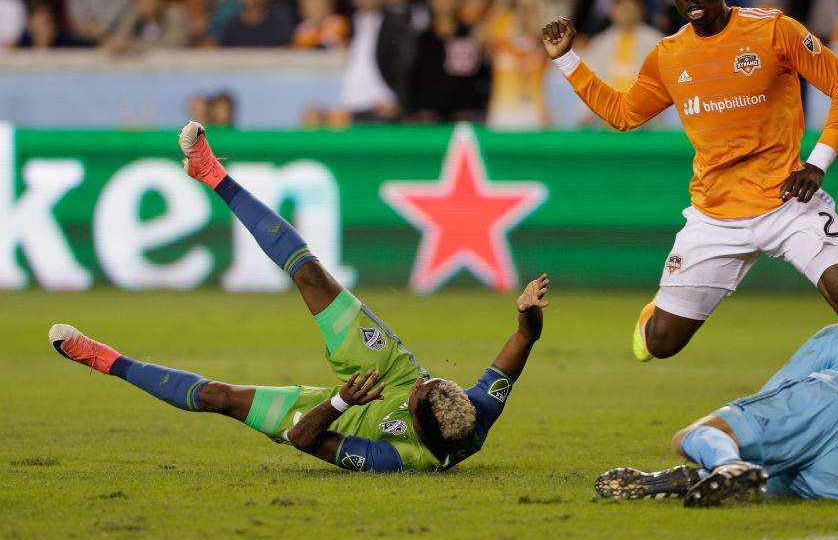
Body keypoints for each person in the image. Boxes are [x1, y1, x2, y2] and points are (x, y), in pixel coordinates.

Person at [47, 121, 549, 473]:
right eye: (434, 383)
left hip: (336, 407)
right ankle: (212, 172)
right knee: (310, 273)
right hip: (386, 368)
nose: (427, 386)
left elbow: (304, 441)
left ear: (417, 424)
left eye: (421, 394)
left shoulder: (400, 459)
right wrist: (527, 317)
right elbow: (518, 350)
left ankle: (100, 358)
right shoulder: (473, 412)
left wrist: (338, 401)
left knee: (218, 398)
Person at [541, 0, 838, 362]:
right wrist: (567, 60)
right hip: (715, 218)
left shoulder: (774, 29)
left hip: (789, 201)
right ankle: (653, 317)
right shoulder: (669, 56)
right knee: (661, 344)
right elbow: (624, 114)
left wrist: (818, 162)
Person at [595, 299, 838, 506]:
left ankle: (726, 464)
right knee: (782, 478)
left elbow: (779, 390)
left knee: (699, 435)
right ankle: (701, 477)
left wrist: (740, 428)